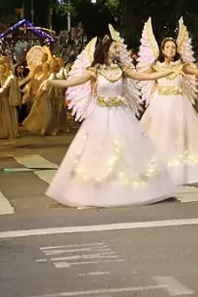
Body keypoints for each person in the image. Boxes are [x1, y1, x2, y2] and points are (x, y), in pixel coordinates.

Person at [42, 28, 177, 208]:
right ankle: (98, 187)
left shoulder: (122, 70)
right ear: (106, 50)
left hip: (120, 114)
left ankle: (123, 185)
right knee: (99, 151)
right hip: (100, 116)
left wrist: (165, 73)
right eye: (114, 48)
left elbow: (144, 76)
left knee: (123, 151)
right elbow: (70, 82)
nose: (116, 51)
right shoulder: (95, 70)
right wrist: (50, 81)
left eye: (117, 48)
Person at [138, 18, 198, 185]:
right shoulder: (156, 65)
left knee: (179, 135)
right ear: (162, 50)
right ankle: (158, 167)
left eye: (173, 47)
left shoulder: (181, 66)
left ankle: (180, 167)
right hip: (160, 104)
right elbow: (142, 75)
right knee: (159, 135)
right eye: (168, 47)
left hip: (178, 104)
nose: (171, 50)